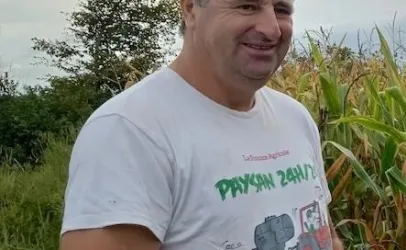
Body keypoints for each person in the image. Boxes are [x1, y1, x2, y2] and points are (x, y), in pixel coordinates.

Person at [58, 0, 344, 249]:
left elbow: (323, 236)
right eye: (247, 5)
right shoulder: (128, 132)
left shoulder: (295, 117)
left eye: (282, 9)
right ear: (190, 8)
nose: (272, 28)